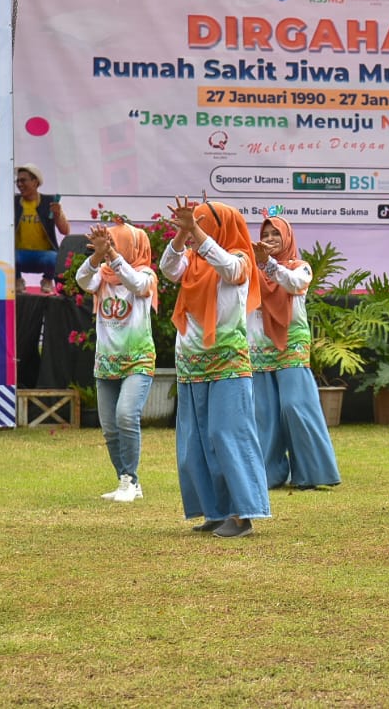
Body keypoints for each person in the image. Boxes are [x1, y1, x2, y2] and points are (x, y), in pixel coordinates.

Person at [160, 195, 270, 538]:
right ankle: (214, 510)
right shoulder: (192, 261)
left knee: (227, 435)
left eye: (203, 222)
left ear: (220, 226)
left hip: (227, 365)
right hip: (192, 365)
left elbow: (230, 269)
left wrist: (198, 236)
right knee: (195, 441)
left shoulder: (239, 259)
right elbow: (167, 268)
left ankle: (242, 513)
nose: (195, 230)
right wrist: (181, 236)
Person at [248, 215, 341, 490]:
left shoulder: (301, 267)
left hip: (292, 343)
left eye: (276, 234)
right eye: (266, 234)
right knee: (263, 412)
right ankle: (269, 475)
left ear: (287, 237)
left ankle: (312, 473)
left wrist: (268, 264)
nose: (270, 239)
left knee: (295, 406)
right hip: (259, 345)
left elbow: (293, 284)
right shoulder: (253, 269)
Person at [75, 220, 157, 504]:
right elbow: (83, 280)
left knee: (125, 415)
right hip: (106, 361)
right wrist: (98, 257)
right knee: (110, 427)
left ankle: (130, 481)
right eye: (110, 242)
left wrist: (111, 255)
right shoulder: (103, 275)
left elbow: (137, 284)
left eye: (116, 243)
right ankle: (126, 479)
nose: (112, 248)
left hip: (138, 359)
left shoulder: (146, 274)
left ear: (132, 246)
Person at [13, 163, 70, 293]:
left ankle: (47, 280)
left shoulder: (49, 202)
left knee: (54, 258)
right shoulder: (13, 202)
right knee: (8, 256)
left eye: (23, 180)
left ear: (35, 182)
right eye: (18, 181)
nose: (19, 184)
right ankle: (17, 280)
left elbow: (65, 231)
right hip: (20, 255)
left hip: (43, 256)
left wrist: (58, 215)